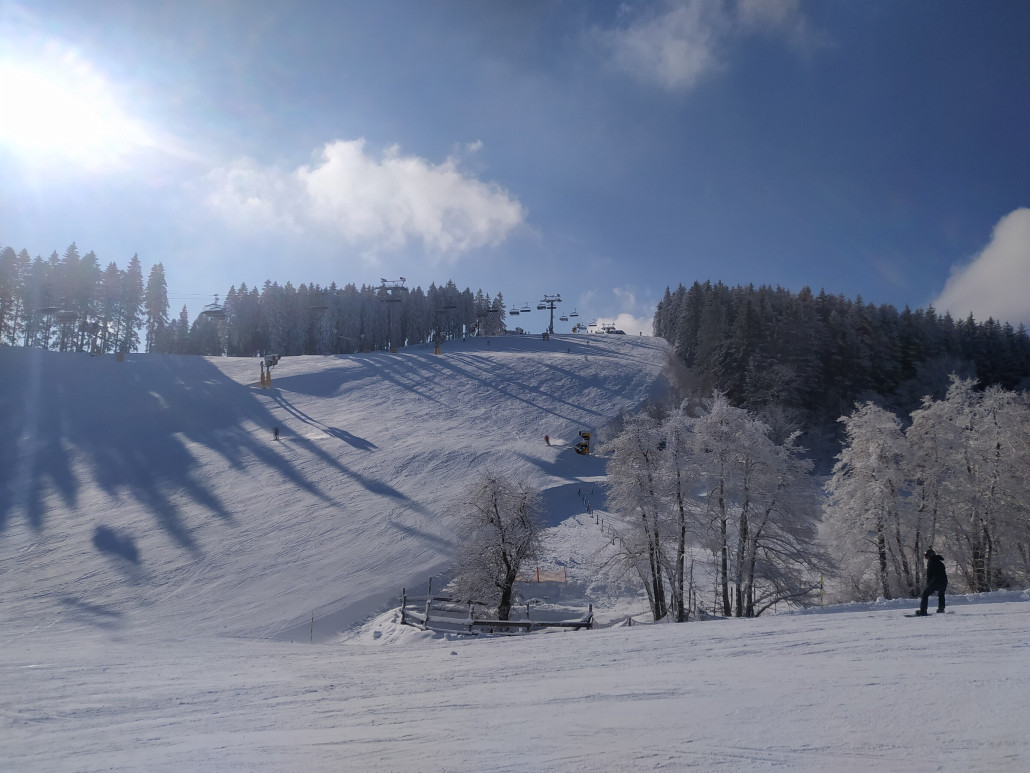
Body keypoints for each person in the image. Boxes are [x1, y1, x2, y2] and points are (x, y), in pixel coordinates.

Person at [917, 548, 947, 615]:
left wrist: (928, 584)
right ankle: (941, 609)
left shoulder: (931, 562)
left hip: (936, 581)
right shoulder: (939, 562)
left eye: (926, 556)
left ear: (929, 556)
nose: (926, 557)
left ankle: (923, 610)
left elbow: (929, 574)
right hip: (944, 581)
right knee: (941, 594)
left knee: (925, 594)